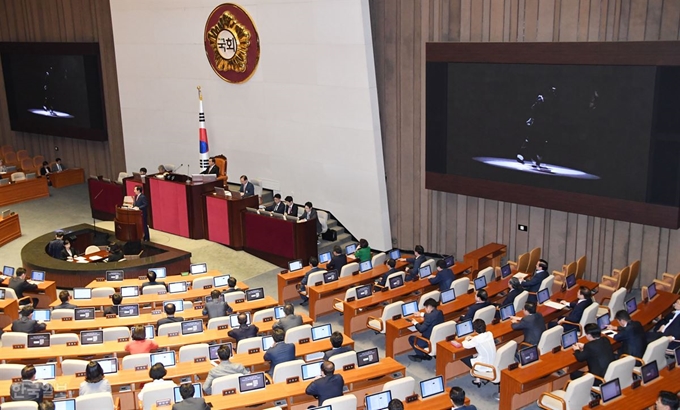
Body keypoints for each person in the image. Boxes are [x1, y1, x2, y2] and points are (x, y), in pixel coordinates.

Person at [459, 320, 496, 387]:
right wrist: (473, 338)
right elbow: (481, 339)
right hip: (493, 362)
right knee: (475, 355)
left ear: (475, 330)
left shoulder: (477, 339)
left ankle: (476, 372)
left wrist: (466, 339)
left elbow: (465, 345)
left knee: (462, 355)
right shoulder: (490, 334)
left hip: (483, 365)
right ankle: (477, 380)